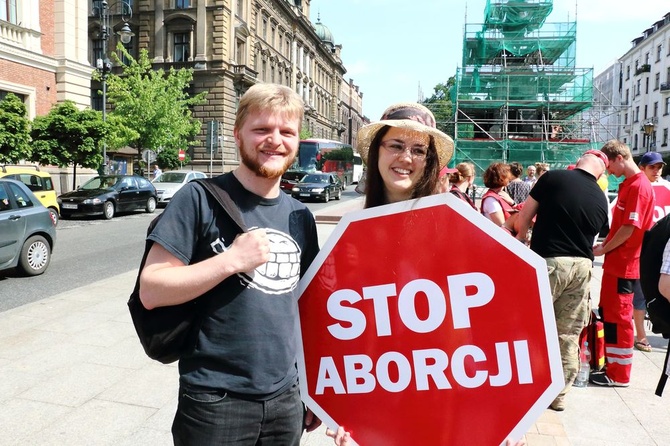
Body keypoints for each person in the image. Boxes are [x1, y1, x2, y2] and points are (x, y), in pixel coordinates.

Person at [138, 83, 325, 445]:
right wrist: (231, 260)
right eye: (262, 129)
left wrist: (312, 388)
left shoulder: (300, 216)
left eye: (287, 132)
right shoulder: (198, 199)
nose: (275, 140)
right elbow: (152, 289)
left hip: (286, 398)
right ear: (238, 135)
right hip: (215, 400)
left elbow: (304, 307)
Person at [353, 102, 525, 446]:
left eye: (419, 150)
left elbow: (498, 324)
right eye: (396, 146)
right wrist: (347, 413)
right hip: (382, 399)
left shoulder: (458, 224)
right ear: (377, 153)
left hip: (454, 395)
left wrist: (507, 409)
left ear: (431, 162)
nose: (406, 158)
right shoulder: (354, 235)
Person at [515, 150, 609, 411]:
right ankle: (558, 396)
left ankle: (523, 388)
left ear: (579, 161)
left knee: (527, 325)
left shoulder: (553, 178)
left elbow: (525, 215)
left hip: (549, 263)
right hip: (582, 268)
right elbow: (598, 235)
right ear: (600, 172)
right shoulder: (601, 198)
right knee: (567, 334)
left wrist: (522, 240)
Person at [591, 140, 655, 387]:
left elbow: (629, 229)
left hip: (625, 265)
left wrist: (604, 248)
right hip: (618, 263)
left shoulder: (638, 187)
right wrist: (606, 245)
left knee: (619, 318)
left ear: (619, 158)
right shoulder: (631, 185)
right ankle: (611, 367)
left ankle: (619, 375)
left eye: (609, 166)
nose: (608, 172)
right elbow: (622, 227)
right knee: (610, 315)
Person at [633, 151, 668, 352]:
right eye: (652, 167)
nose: (656, 171)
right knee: (641, 295)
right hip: (645, 250)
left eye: (659, 167)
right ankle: (641, 335)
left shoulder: (667, 188)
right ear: (642, 168)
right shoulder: (638, 188)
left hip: (665, 247)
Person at [480, 162, 516, 228]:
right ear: (502, 178)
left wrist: (512, 203)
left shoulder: (501, 195)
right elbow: (502, 226)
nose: (510, 178)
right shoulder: (491, 200)